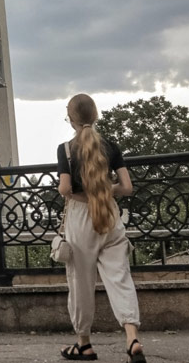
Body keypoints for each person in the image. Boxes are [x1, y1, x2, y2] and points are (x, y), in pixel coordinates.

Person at [57, 94, 144, 363]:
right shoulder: (111, 146)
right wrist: (105, 191)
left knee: (80, 283)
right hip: (109, 214)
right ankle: (132, 338)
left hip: (81, 219)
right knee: (120, 278)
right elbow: (126, 187)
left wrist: (85, 193)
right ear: (95, 116)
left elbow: (65, 189)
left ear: (71, 119)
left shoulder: (66, 149)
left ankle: (84, 344)